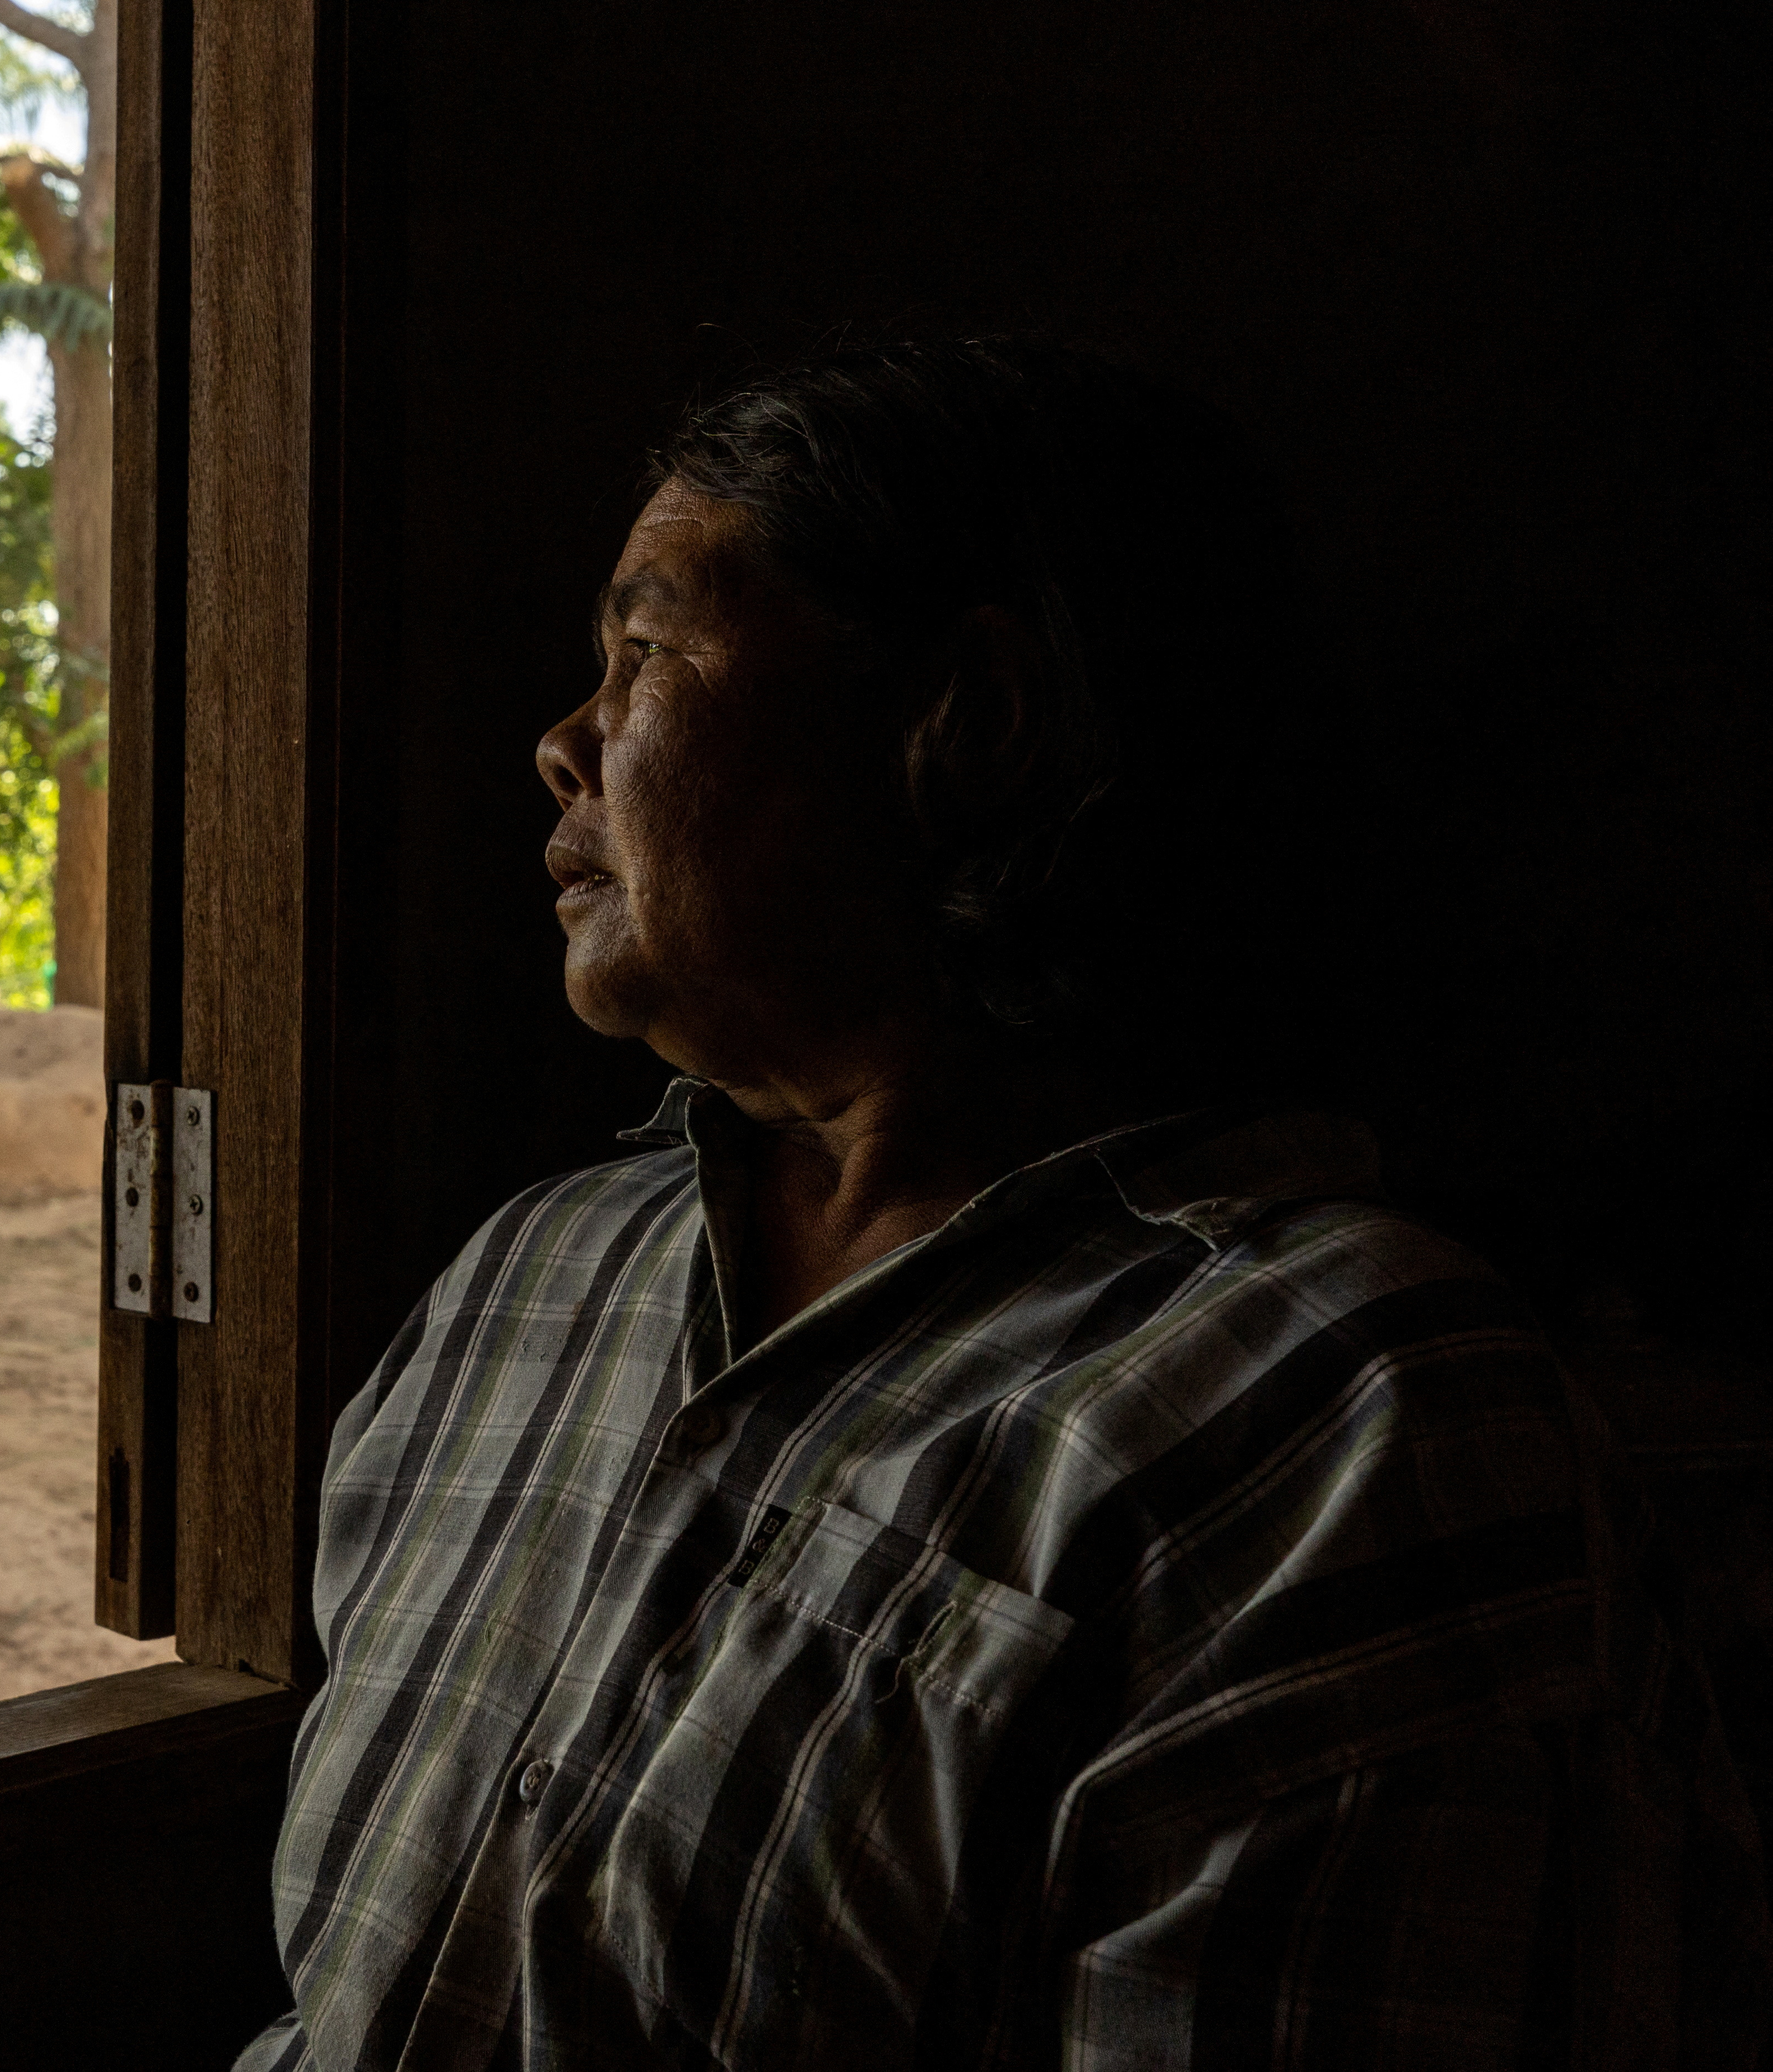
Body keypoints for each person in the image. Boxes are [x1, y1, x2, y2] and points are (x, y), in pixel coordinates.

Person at [234, 340, 1769, 2070]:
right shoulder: (534, 1284)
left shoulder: (1340, 1428)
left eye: (650, 649)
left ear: (963, 721)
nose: (561, 742)